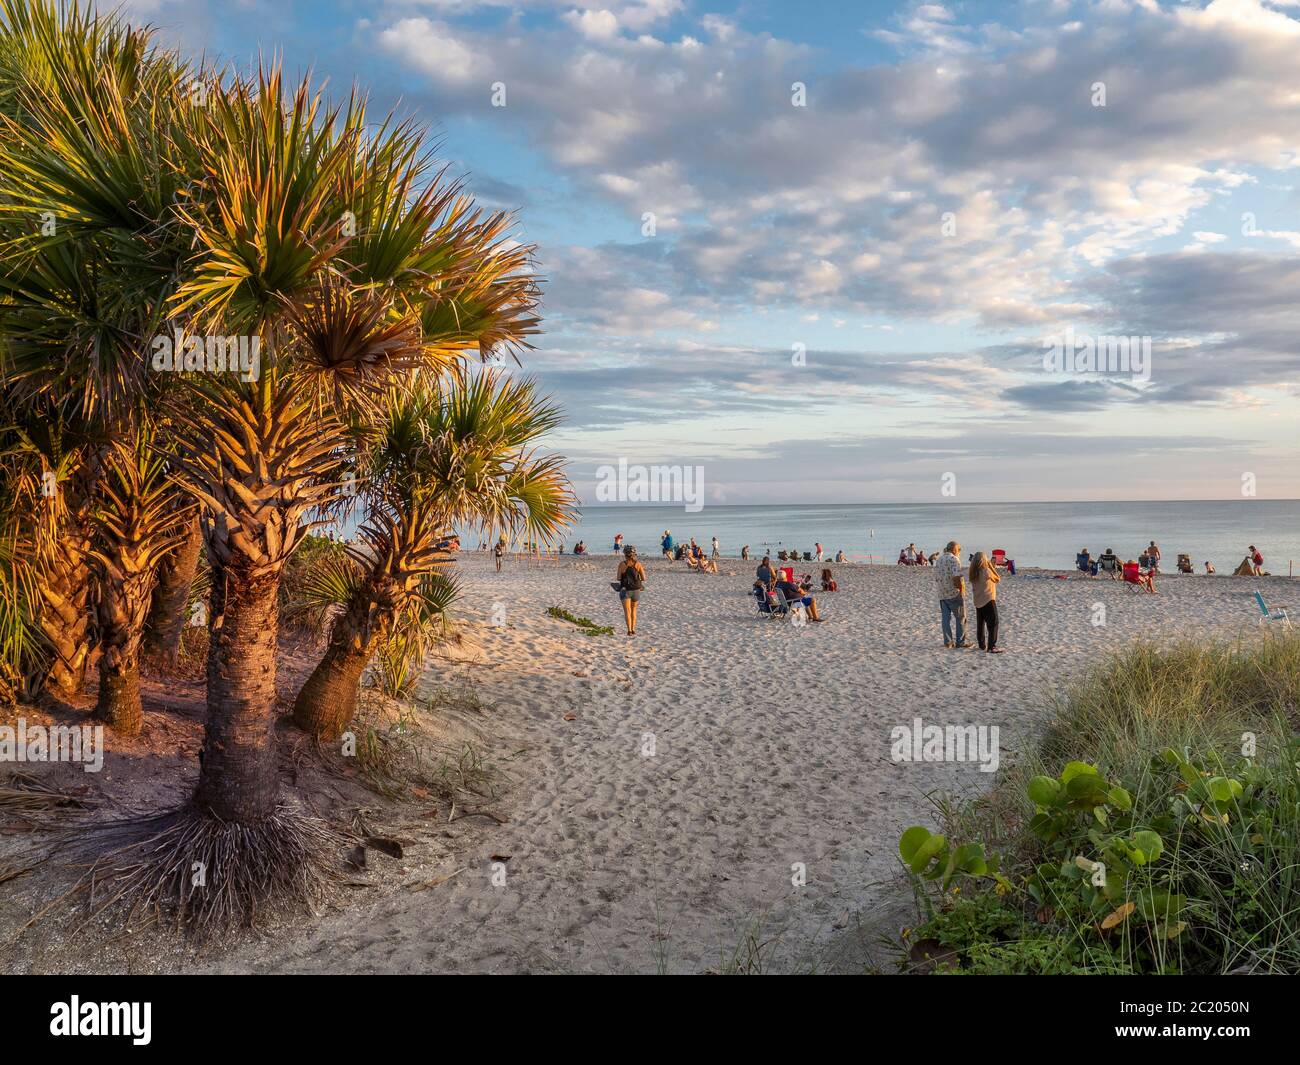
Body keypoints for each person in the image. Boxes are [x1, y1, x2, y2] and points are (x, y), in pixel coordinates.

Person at [936, 541, 971, 648]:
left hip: (942, 592)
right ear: (955, 549)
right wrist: (961, 591)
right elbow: (956, 577)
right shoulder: (954, 559)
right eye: (959, 550)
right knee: (961, 617)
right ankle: (960, 642)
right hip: (953, 593)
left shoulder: (939, 559)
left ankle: (948, 642)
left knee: (945, 619)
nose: (959, 552)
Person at [969, 551, 1002, 653]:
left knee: (981, 623)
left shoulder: (973, 572)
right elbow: (998, 579)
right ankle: (992, 646)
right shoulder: (986, 571)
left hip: (978, 600)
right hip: (988, 599)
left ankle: (982, 644)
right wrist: (991, 566)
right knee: (993, 622)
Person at [616, 546, 645, 635]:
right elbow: (644, 578)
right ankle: (633, 629)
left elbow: (618, 578)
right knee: (634, 610)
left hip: (625, 590)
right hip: (636, 590)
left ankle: (629, 630)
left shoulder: (622, 564)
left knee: (627, 611)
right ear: (634, 554)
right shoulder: (638, 564)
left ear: (625, 554)